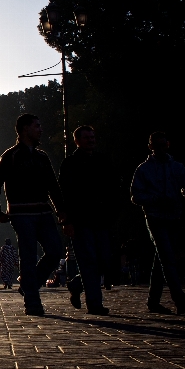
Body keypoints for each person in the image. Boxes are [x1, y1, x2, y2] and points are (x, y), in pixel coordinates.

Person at [0, 113, 67, 316]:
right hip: (22, 213)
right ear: (25, 129)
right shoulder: (11, 156)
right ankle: (32, 301)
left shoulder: (42, 157)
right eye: (36, 126)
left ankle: (30, 284)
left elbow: (53, 187)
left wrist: (61, 211)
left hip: (43, 211)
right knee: (28, 255)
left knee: (55, 251)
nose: (40, 129)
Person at [131, 131, 185, 315]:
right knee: (167, 258)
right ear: (150, 147)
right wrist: (155, 199)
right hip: (155, 217)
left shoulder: (177, 167)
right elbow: (136, 196)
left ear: (168, 145)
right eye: (157, 145)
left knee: (161, 260)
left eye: (163, 144)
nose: (160, 148)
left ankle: (153, 301)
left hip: (173, 217)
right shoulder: (143, 169)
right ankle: (180, 299)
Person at [59, 125, 118, 315]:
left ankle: (77, 284)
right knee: (89, 261)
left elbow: (113, 186)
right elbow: (64, 195)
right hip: (81, 220)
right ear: (77, 140)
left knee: (104, 260)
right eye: (86, 138)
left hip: (101, 219)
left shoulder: (103, 160)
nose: (91, 140)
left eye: (92, 137)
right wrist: (66, 220)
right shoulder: (70, 164)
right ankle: (94, 303)